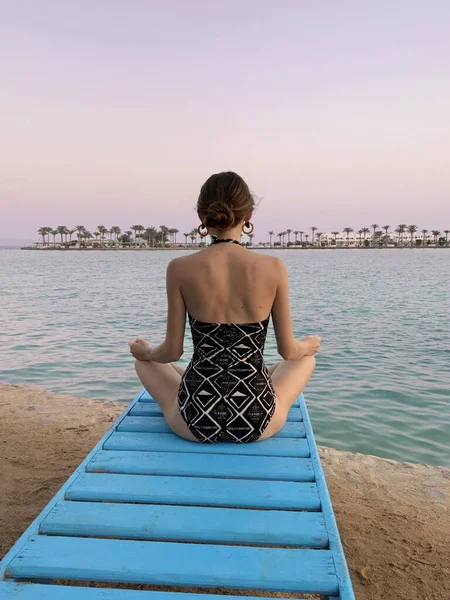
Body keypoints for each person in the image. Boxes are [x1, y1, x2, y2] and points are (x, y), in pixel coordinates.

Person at [129, 171, 321, 443]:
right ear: (248, 217)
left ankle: (199, 380)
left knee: (144, 363)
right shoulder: (274, 267)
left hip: (193, 421)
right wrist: (307, 346)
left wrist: (146, 350)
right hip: (259, 421)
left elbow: (171, 352)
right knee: (304, 360)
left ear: (202, 218)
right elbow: (289, 351)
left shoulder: (179, 268)